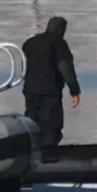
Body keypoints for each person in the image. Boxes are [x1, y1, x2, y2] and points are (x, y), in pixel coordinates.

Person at [22, 16, 81, 147]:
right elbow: (65, 68)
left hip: (30, 90)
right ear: (61, 29)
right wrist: (74, 90)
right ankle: (48, 156)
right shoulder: (58, 43)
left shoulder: (30, 42)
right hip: (49, 91)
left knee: (32, 123)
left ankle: (32, 150)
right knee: (51, 126)